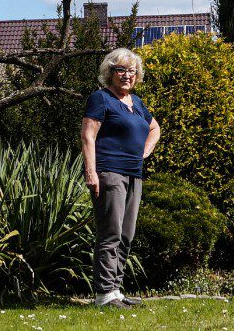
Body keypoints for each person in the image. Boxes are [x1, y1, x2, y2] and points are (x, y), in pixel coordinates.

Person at [82, 47, 161, 308]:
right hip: (110, 172)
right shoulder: (101, 98)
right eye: (121, 70)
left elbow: (154, 128)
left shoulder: (136, 103)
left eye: (131, 70)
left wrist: (145, 150)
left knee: (126, 234)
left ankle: (115, 290)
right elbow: (88, 136)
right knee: (110, 233)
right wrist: (91, 172)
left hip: (133, 174)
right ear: (110, 72)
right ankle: (103, 294)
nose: (127, 75)